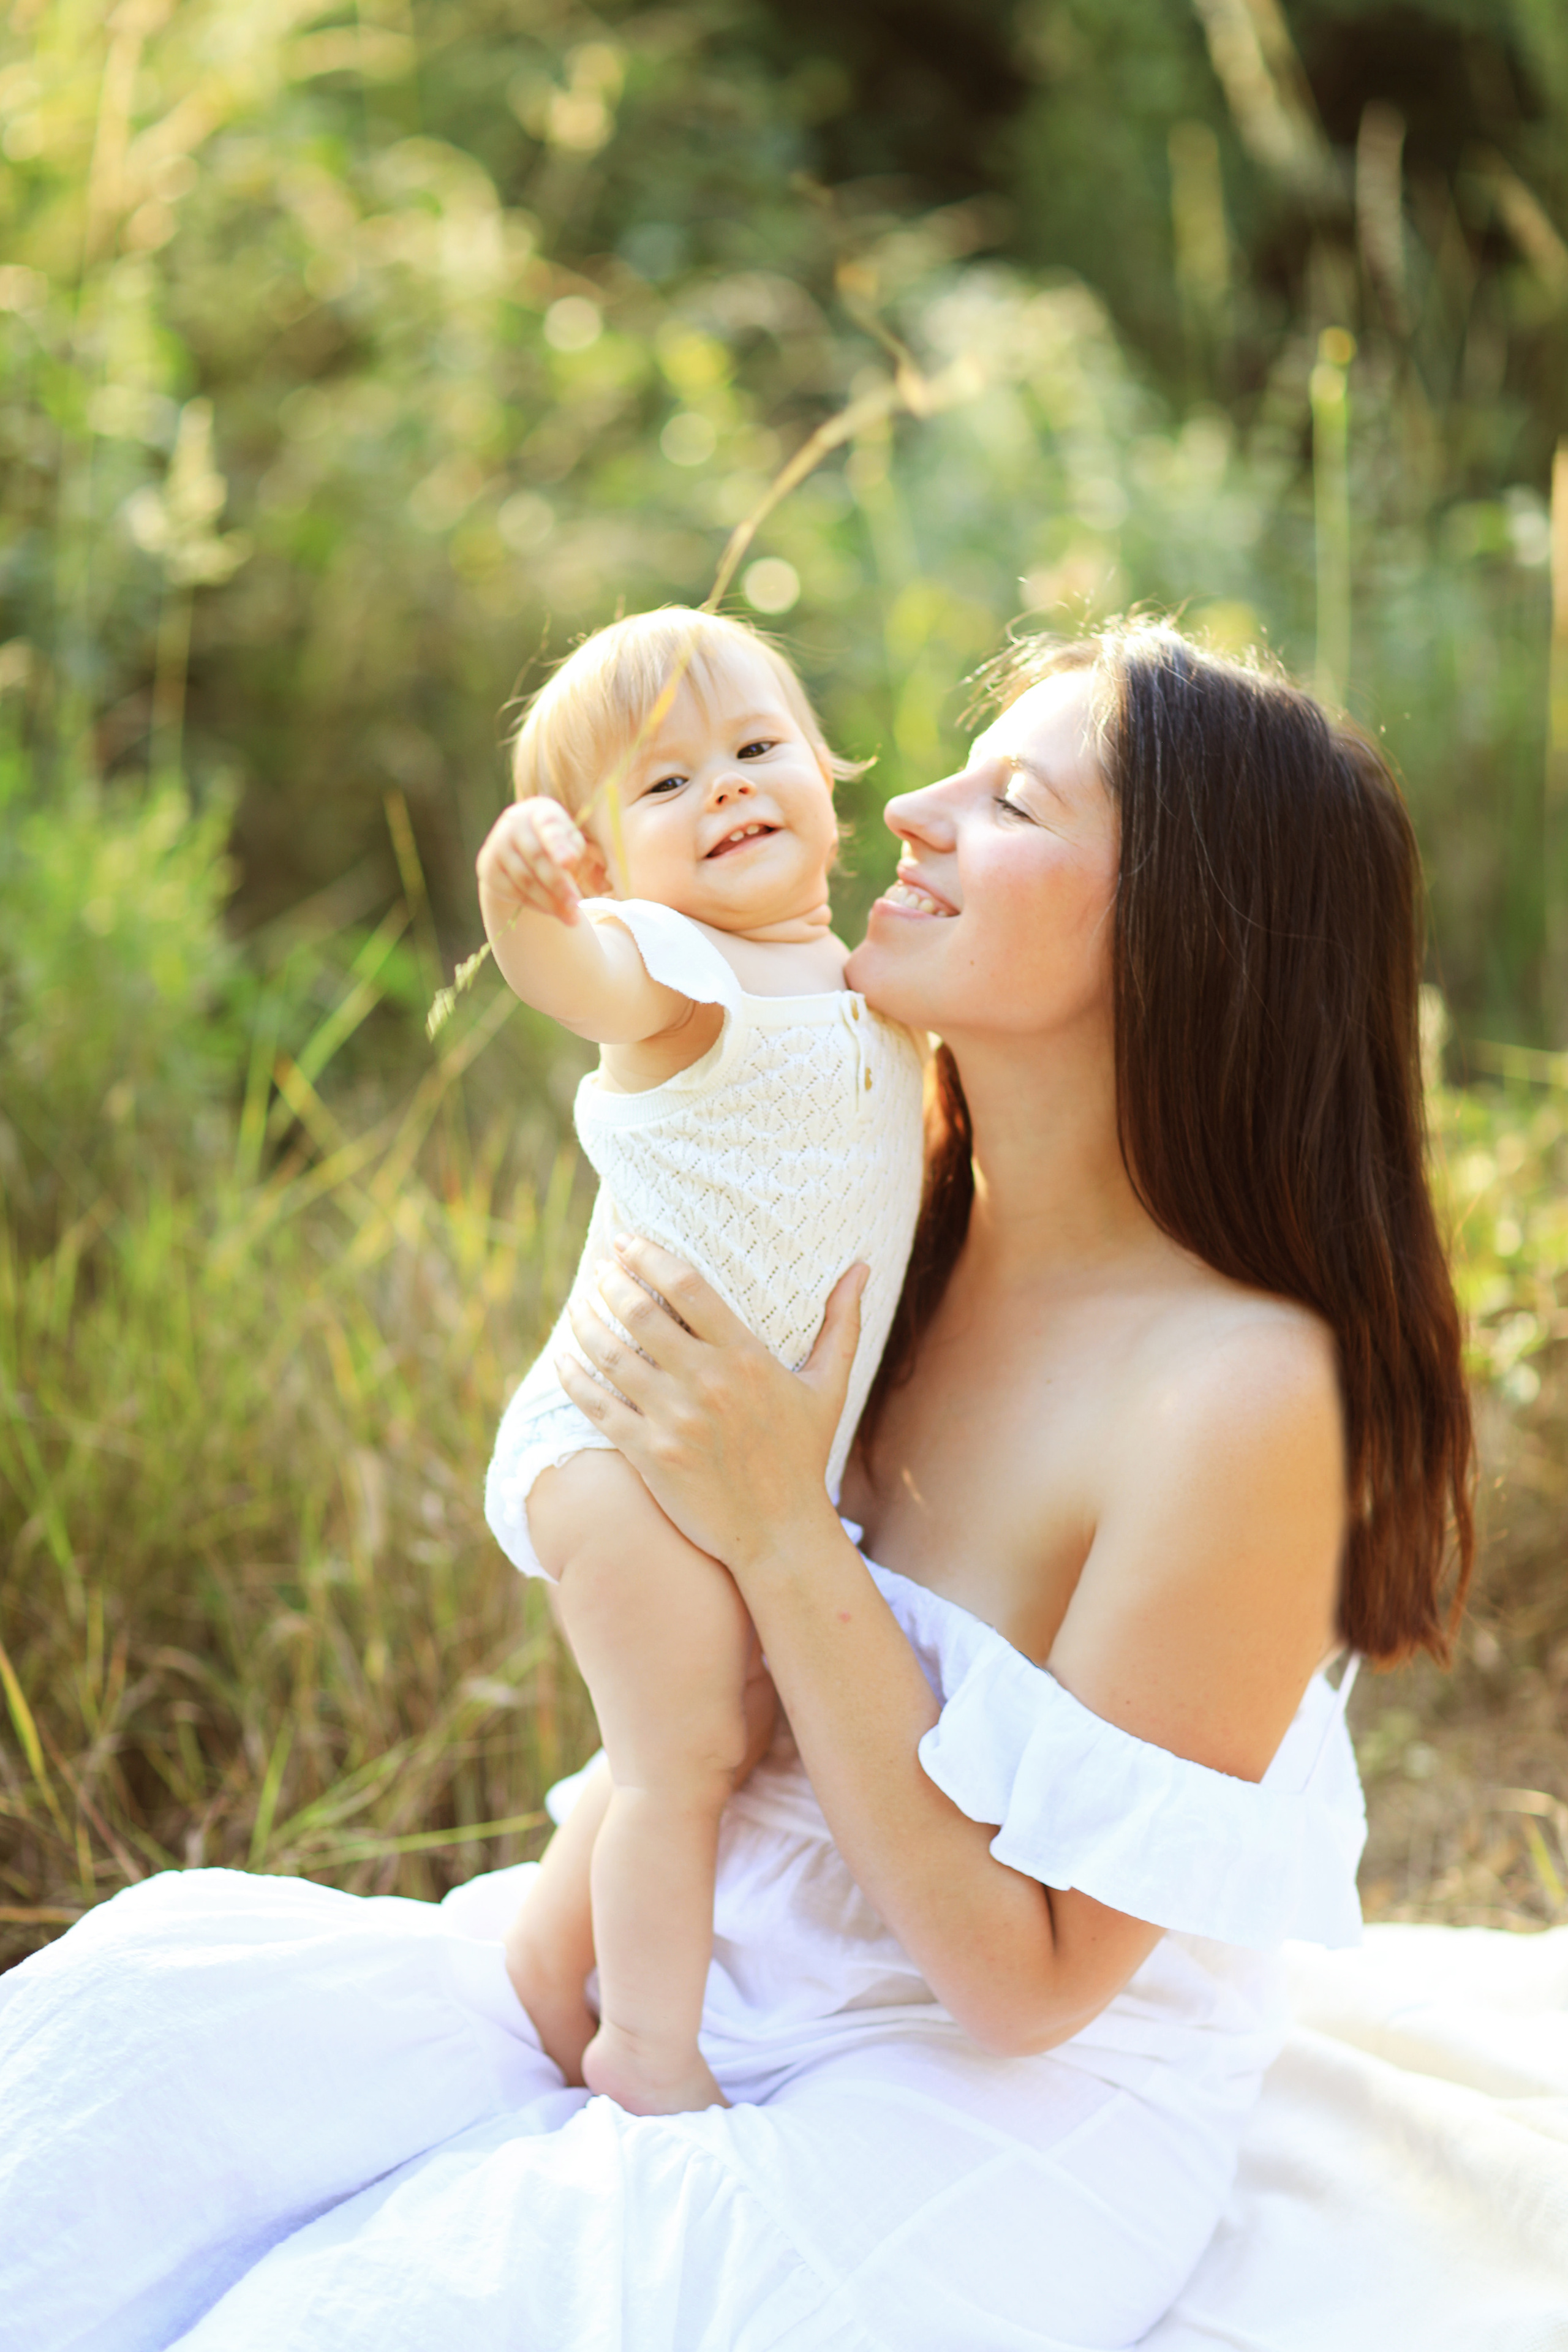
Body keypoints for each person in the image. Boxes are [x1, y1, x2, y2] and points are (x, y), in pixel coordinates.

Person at [0, 620, 1473, 2352]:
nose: (909, 806)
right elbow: (695, 1705)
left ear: (1179, 924)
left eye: (1009, 798)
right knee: (131, 2048)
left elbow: (1031, 1988)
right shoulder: (888, 1184)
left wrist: (783, 1529)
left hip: (970, 2082)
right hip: (727, 1928)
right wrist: (560, 1978)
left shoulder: (1239, 1391)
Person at [475, 606, 925, 2113]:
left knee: (692, 1726)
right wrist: (522, 902)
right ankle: (645, 2051)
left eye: (751, 749)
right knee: (685, 1761)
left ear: (823, 776)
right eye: (661, 786)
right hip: (619, 1451)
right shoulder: (675, 976)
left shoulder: (863, 986)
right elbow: (567, 979)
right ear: (607, 866)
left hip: (709, 1458)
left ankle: (546, 1970)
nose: (721, 787)